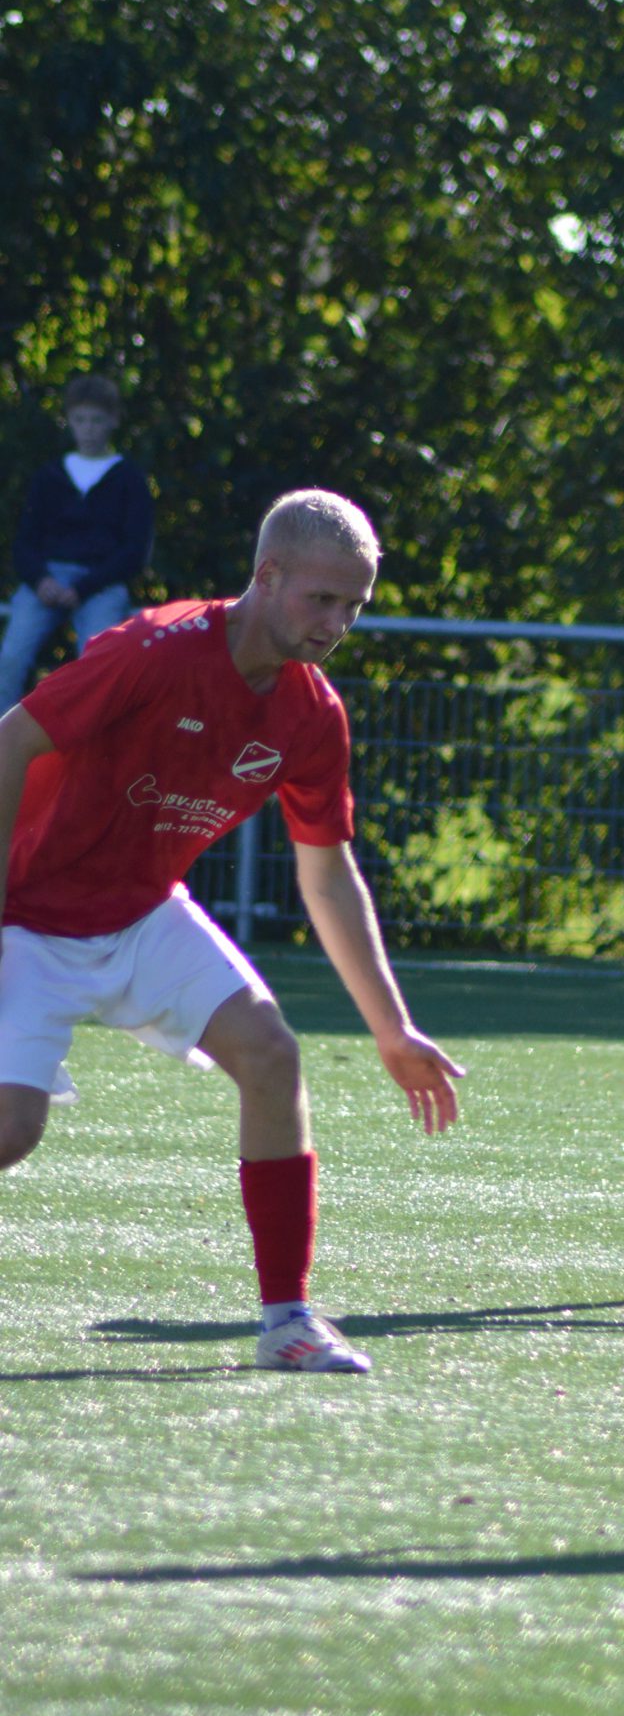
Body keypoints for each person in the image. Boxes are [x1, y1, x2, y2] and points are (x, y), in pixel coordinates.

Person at [0, 487, 464, 1372]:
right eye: (321, 599)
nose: (336, 624)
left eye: (354, 606)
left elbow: (327, 874)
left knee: (271, 1053)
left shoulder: (313, 714)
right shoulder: (153, 648)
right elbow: (9, 744)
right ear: (267, 574)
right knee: (10, 1133)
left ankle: (288, 1322)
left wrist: (391, 1027)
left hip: (142, 911)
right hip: (25, 918)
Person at [0, 375, 155, 713]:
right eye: (80, 419)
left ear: (113, 420)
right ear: (69, 420)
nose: (88, 429)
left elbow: (135, 550)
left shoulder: (129, 478)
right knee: (10, 657)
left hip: (101, 584)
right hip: (47, 580)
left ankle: (90, 738)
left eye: (96, 420)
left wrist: (84, 587)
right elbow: (25, 542)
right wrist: (41, 580)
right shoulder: (49, 476)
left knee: (100, 665)